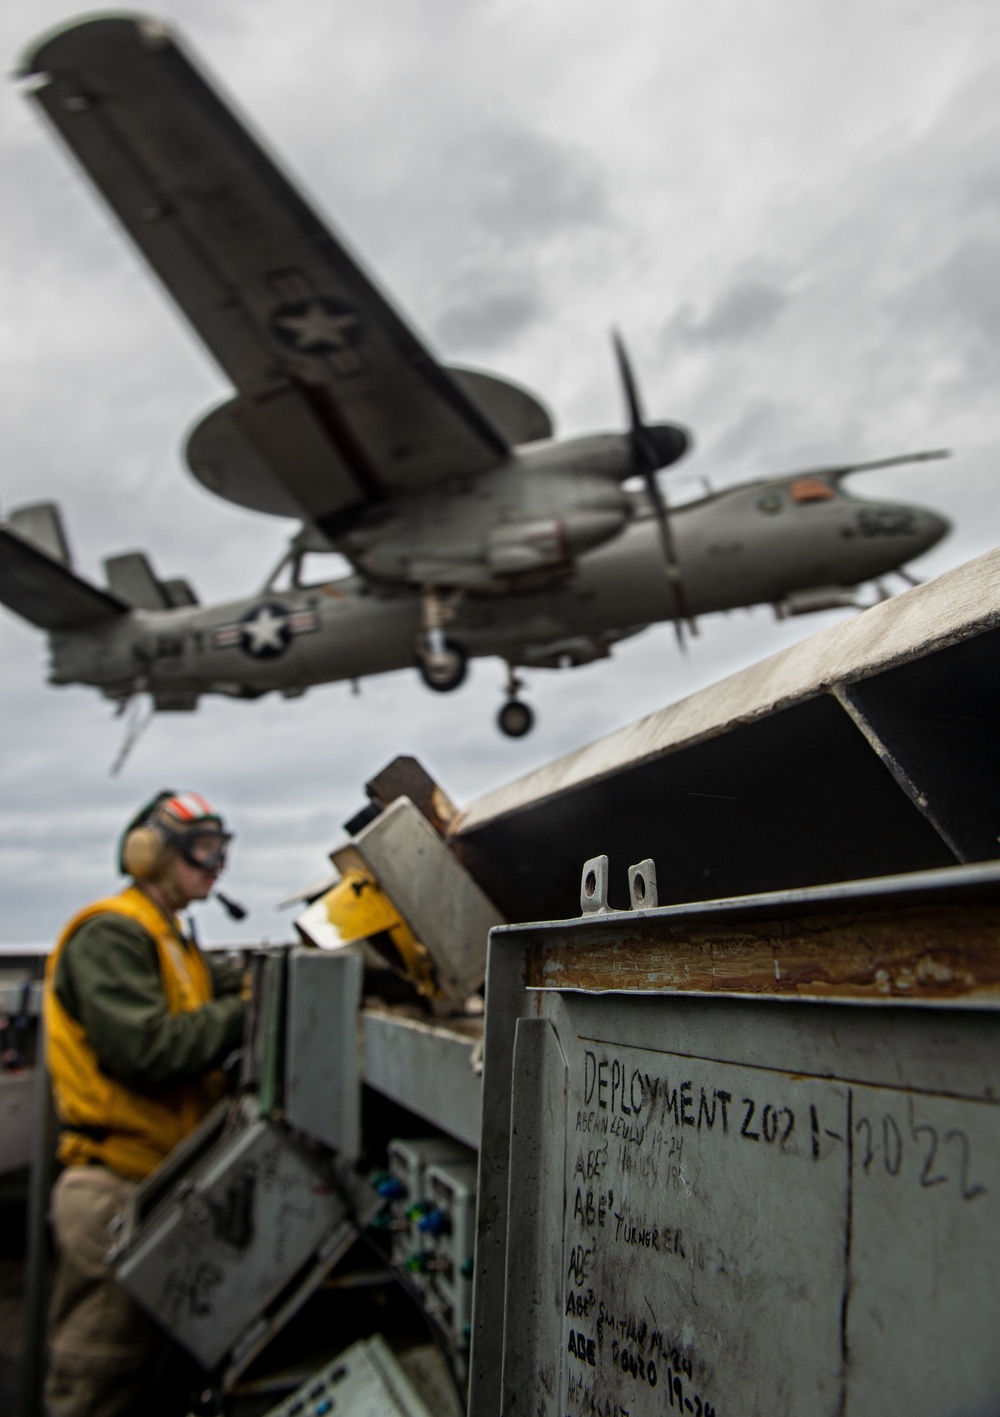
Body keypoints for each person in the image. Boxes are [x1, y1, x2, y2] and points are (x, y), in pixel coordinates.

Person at [43, 791, 248, 1417]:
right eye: (201, 851)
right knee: (101, 1379)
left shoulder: (170, 940)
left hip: (158, 1189)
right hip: (113, 1196)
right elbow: (147, 1050)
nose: (214, 866)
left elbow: (218, 991)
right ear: (151, 855)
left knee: (153, 1381)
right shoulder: (111, 934)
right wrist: (248, 1010)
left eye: (221, 850)